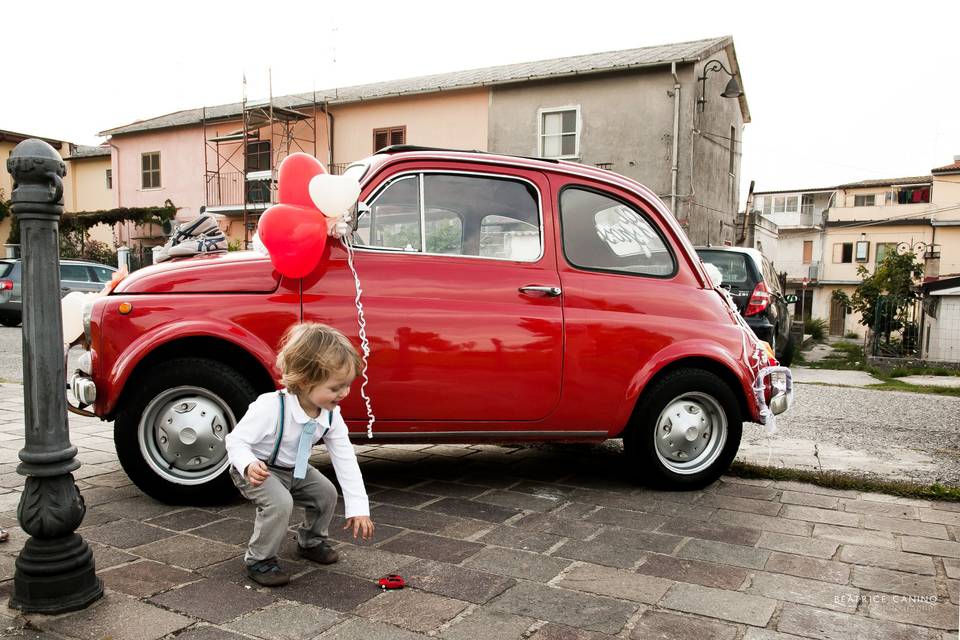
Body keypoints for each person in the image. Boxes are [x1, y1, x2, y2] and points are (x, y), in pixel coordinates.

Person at [226, 322, 374, 587]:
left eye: (347, 385)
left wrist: (359, 508)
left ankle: (311, 541)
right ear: (306, 381)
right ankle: (260, 559)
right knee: (280, 503)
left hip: (295, 469)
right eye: (336, 387)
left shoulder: (331, 415)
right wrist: (248, 464)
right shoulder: (271, 407)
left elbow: (345, 460)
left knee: (326, 493)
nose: (344, 393)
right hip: (260, 470)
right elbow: (235, 441)